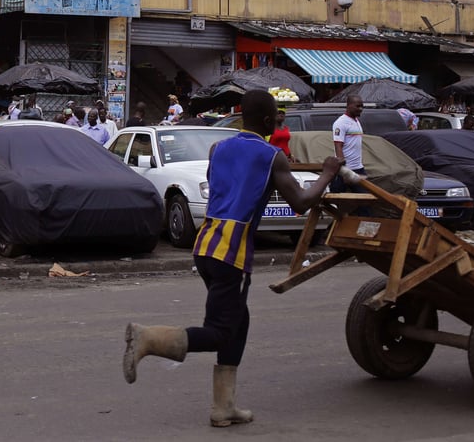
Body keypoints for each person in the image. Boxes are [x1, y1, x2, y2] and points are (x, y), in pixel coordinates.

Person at [122, 90, 340, 427]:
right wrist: (327, 174)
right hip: (232, 252)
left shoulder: (217, 149)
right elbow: (300, 202)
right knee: (221, 331)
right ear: (270, 121)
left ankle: (224, 407)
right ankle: (148, 339)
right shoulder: (272, 155)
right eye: (277, 117)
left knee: (240, 321)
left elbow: (221, 183)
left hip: (206, 244)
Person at [332, 95, 367, 186]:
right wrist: (344, 170)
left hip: (358, 167)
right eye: (358, 106)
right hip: (345, 169)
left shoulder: (356, 121)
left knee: (364, 196)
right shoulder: (341, 123)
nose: (360, 109)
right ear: (349, 105)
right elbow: (338, 146)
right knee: (337, 197)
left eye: (362, 106)